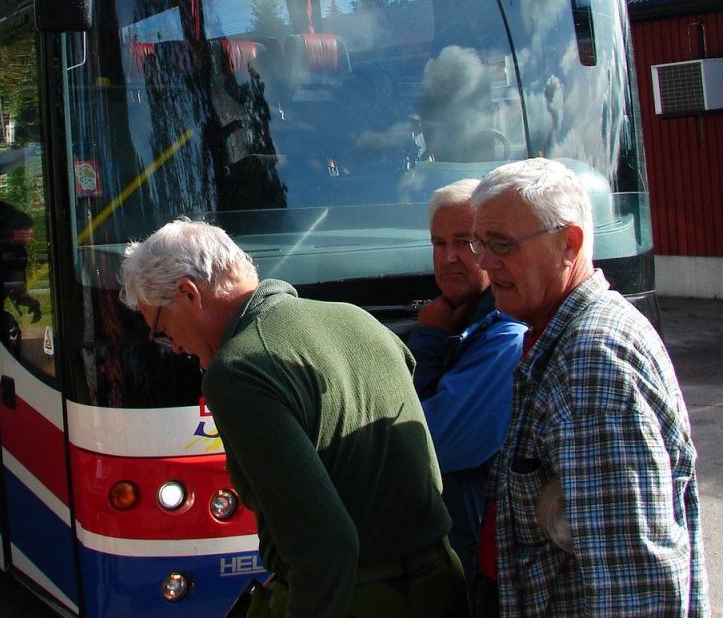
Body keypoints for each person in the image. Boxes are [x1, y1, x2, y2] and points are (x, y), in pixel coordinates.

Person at [120, 218, 467, 618]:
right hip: (443, 585)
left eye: (162, 331)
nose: (175, 348)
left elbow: (325, 550)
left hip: (359, 600)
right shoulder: (360, 321)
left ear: (188, 294)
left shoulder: (237, 371)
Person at [471, 158, 706, 617]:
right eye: (480, 243)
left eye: (501, 244)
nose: (484, 262)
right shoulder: (563, 332)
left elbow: (634, 590)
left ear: (569, 243)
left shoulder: (591, 363)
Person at [408, 179, 525, 590]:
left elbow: (427, 445)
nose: (450, 257)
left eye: (465, 242)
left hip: (479, 560)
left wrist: (429, 342)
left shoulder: (505, 336)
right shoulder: (460, 320)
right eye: (438, 243)